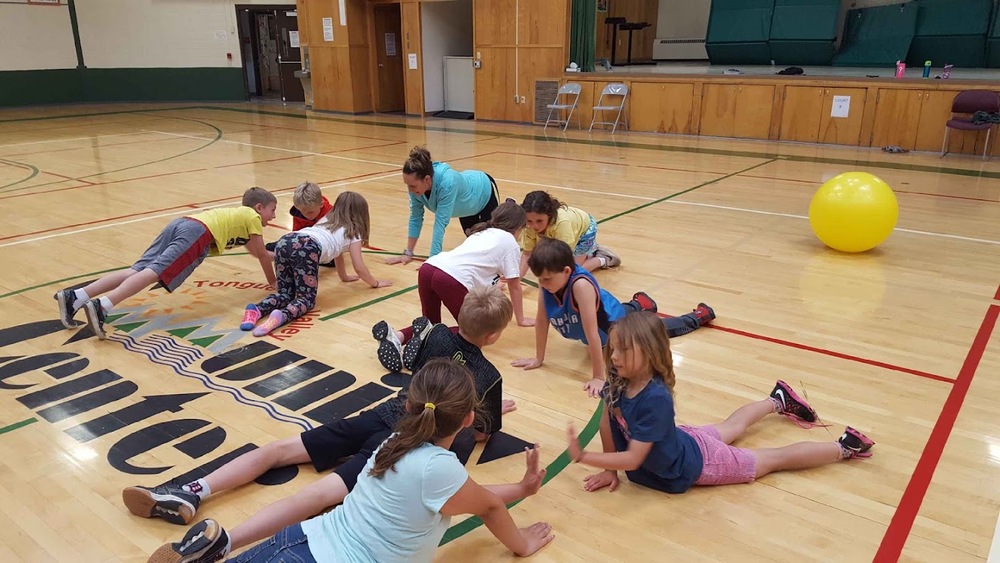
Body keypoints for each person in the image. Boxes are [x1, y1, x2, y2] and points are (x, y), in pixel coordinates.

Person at [125, 286, 518, 558]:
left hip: (388, 413)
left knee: (279, 450)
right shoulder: (489, 377)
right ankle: (226, 541)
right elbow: (483, 431)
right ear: (496, 335)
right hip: (407, 442)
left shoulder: (432, 337)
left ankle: (192, 489)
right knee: (313, 498)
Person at [146, 359, 554, 563]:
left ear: (409, 405)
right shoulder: (439, 468)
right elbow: (487, 505)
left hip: (298, 541)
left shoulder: (399, 440)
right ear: (468, 421)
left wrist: (521, 488)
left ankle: (214, 547)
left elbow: (469, 496)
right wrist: (522, 545)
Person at [566, 311, 874, 496]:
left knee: (771, 459)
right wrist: (610, 470)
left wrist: (587, 457)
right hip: (682, 441)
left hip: (697, 462)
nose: (614, 356)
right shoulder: (619, 380)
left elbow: (633, 459)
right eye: (613, 348)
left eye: (622, 350)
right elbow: (607, 416)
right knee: (731, 426)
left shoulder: (655, 400)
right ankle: (777, 399)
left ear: (648, 353)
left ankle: (845, 447)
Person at [54, 187, 278, 340]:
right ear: (259, 208)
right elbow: (261, 254)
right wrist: (273, 282)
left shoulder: (241, 217)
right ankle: (102, 305)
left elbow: (258, 252)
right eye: (272, 210)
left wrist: (277, 256)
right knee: (154, 272)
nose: (274, 216)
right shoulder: (252, 217)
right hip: (199, 232)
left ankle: (77, 296)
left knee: (138, 269)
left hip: (182, 223)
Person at [513, 238, 715, 397]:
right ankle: (641, 304)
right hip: (606, 311)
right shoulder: (548, 281)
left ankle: (696, 317)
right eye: (540, 279)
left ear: (566, 271)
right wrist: (538, 358)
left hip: (611, 327)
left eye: (546, 279)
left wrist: (598, 377)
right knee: (620, 311)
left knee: (653, 330)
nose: (543, 283)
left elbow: (593, 333)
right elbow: (542, 320)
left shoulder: (580, 286)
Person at [240, 191, 392, 337]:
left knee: (285, 294)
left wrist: (344, 276)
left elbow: (338, 253)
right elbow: (359, 267)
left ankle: (256, 309)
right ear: (361, 214)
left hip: (286, 241)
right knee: (306, 299)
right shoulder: (354, 232)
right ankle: (281, 317)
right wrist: (375, 283)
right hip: (307, 248)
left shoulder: (327, 219)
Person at [384, 202, 531, 351]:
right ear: (519, 227)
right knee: (473, 332)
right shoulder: (510, 242)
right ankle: (420, 352)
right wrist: (521, 319)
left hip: (428, 268)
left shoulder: (482, 232)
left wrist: (496, 286)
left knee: (430, 323)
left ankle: (397, 337)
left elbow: (475, 269)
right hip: (449, 279)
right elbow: (515, 286)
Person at [385, 146, 501, 261]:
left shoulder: (447, 182)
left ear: (427, 179)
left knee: (491, 246)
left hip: (484, 192)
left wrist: (433, 261)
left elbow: (440, 223)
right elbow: (415, 218)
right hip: (466, 207)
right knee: (475, 244)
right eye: (407, 185)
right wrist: (408, 253)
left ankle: (512, 208)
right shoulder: (416, 190)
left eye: (412, 185)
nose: (409, 190)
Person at [519, 190, 619, 275]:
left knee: (572, 273)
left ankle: (602, 258)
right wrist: (516, 279)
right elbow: (527, 254)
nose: (534, 226)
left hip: (585, 230)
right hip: (569, 229)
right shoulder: (528, 226)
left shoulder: (562, 223)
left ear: (549, 215)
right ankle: (590, 251)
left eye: (539, 221)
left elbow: (564, 256)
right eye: (529, 221)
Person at [265, 181, 336, 267]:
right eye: (303, 212)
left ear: (321, 204)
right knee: (276, 246)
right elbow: (296, 234)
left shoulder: (330, 213)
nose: (307, 215)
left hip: (323, 244)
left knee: (332, 260)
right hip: (307, 239)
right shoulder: (298, 213)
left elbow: (335, 239)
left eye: (310, 212)